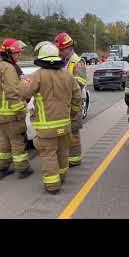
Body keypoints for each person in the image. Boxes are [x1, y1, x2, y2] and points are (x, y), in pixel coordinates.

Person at [18, 41, 82, 194]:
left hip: (46, 128)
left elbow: (24, 93)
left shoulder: (37, 76)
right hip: (65, 125)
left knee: (48, 154)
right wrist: (72, 114)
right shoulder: (67, 75)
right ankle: (62, 176)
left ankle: (52, 186)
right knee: (62, 152)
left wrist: (22, 82)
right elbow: (77, 98)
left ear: (41, 59)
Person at [0, 38, 33, 179]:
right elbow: (12, 92)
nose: (19, 56)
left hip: (0, 114)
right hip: (11, 113)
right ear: (8, 53)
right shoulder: (9, 68)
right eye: (17, 53)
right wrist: (21, 109)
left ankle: (1, 169)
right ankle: (23, 169)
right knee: (17, 141)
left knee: (3, 141)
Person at [54, 32, 87, 167]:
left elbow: (81, 81)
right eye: (58, 49)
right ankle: (64, 157)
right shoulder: (60, 61)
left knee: (73, 131)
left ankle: (75, 159)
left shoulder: (78, 62)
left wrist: (64, 85)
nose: (59, 52)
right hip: (62, 103)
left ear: (68, 48)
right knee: (63, 131)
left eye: (61, 49)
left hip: (74, 101)